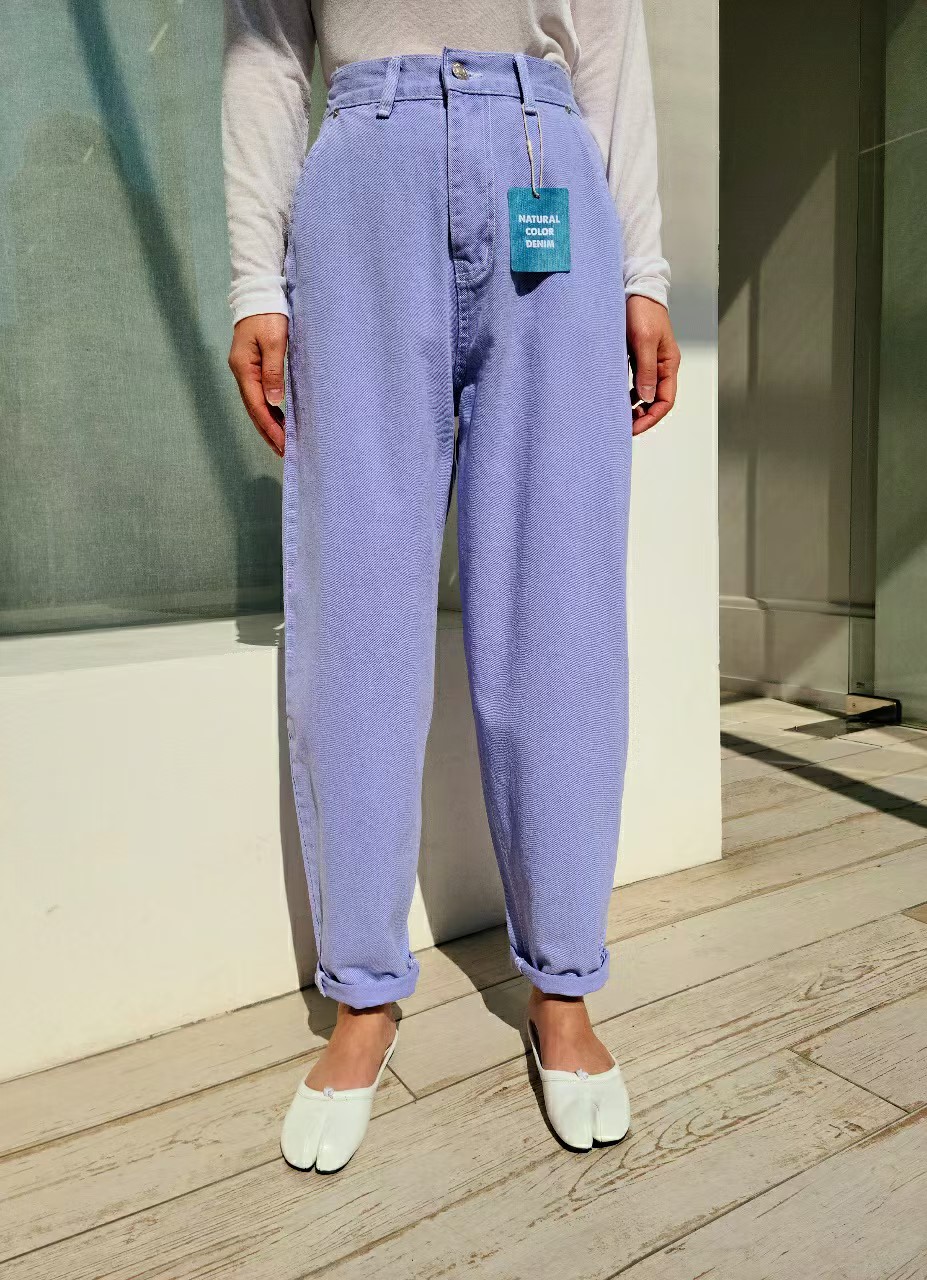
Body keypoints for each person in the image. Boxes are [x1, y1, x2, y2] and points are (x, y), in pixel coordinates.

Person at [223, 0, 679, 1172]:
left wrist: (644, 267)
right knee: (357, 607)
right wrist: (254, 281)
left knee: (559, 606)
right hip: (364, 177)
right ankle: (364, 991)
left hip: (546, 152)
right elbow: (268, 50)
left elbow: (610, 36)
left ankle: (563, 985)